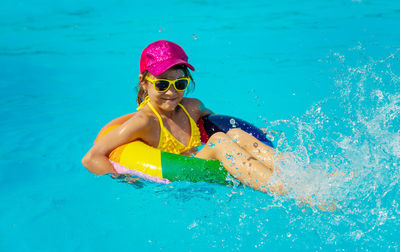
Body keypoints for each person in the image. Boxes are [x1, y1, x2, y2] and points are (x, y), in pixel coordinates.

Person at [82, 40, 284, 194]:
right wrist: (119, 175)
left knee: (237, 134)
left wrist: (258, 134)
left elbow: (218, 123)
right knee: (220, 142)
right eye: (162, 84)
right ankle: (283, 189)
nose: (171, 93)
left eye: (179, 84)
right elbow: (91, 157)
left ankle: (295, 173)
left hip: (197, 165)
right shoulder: (144, 122)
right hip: (177, 182)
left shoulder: (193, 107)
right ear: (144, 82)